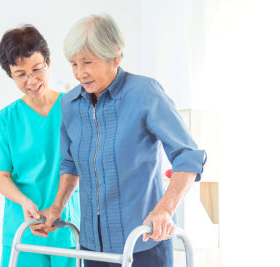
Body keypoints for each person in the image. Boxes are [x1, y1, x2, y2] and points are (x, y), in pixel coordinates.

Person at [33, 14, 206, 267]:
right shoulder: (70, 104)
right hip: (93, 248)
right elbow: (70, 164)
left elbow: (188, 156)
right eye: (73, 64)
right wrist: (57, 206)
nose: (80, 73)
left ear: (115, 56)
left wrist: (165, 210)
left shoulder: (144, 93)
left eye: (88, 62)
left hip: (144, 242)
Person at [0, 25, 80, 267]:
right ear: (10, 74)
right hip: (23, 228)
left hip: (66, 226)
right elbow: (2, 177)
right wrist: (25, 202)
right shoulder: (5, 120)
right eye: (21, 74)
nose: (32, 80)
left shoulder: (74, 108)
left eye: (37, 69)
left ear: (48, 62)